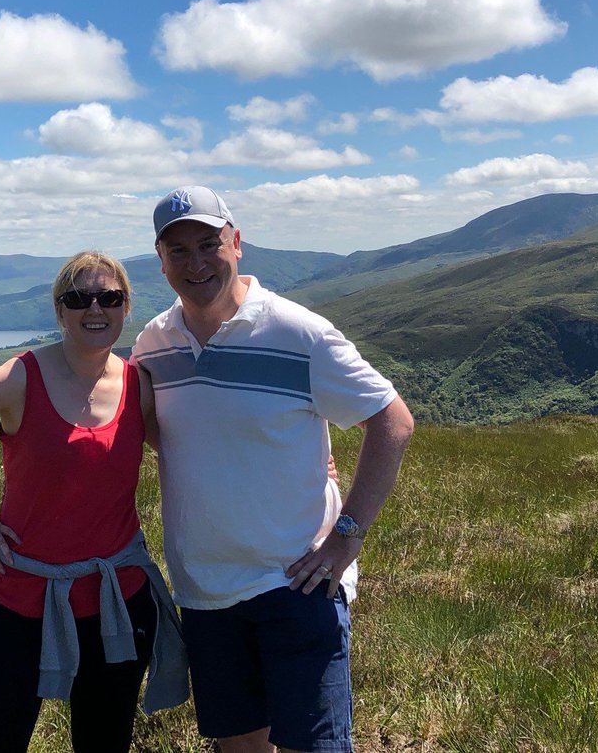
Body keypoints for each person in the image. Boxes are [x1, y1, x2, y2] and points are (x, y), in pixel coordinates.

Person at [132, 186, 415, 753]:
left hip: (297, 583)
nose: (196, 263)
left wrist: (345, 541)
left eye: (208, 244)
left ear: (236, 243)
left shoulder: (299, 333)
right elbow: (167, 436)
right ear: (160, 261)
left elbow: (393, 422)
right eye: (178, 250)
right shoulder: (154, 344)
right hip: (206, 590)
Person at [0, 251, 188, 753]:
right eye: (78, 298)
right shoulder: (20, 378)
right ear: (59, 310)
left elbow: (192, 452)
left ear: (125, 308)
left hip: (114, 597)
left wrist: (313, 461)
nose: (95, 308)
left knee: (104, 743)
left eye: (109, 297)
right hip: (19, 597)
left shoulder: (139, 385)